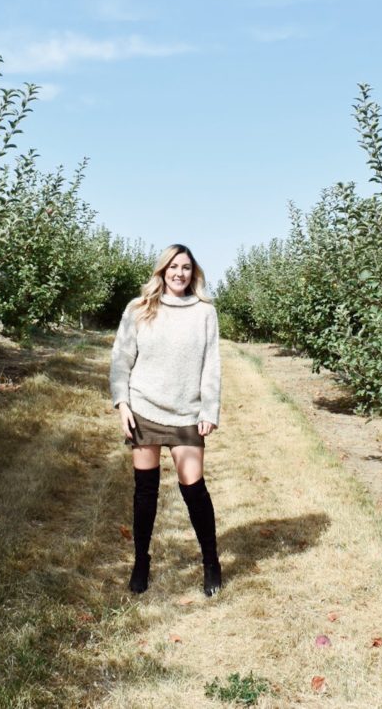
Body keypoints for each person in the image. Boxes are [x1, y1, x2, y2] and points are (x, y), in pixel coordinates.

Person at [110, 243, 222, 597]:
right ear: (162, 271)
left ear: (194, 273)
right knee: (145, 491)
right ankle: (141, 560)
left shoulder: (205, 312)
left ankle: (211, 562)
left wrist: (209, 410)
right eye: (173, 267)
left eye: (186, 267)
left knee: (194, 489)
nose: (179, 273)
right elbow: (121, 358)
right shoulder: (140, 309)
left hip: (187, 412)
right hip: (144, 407)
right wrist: (122, 403)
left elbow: (211, 365)